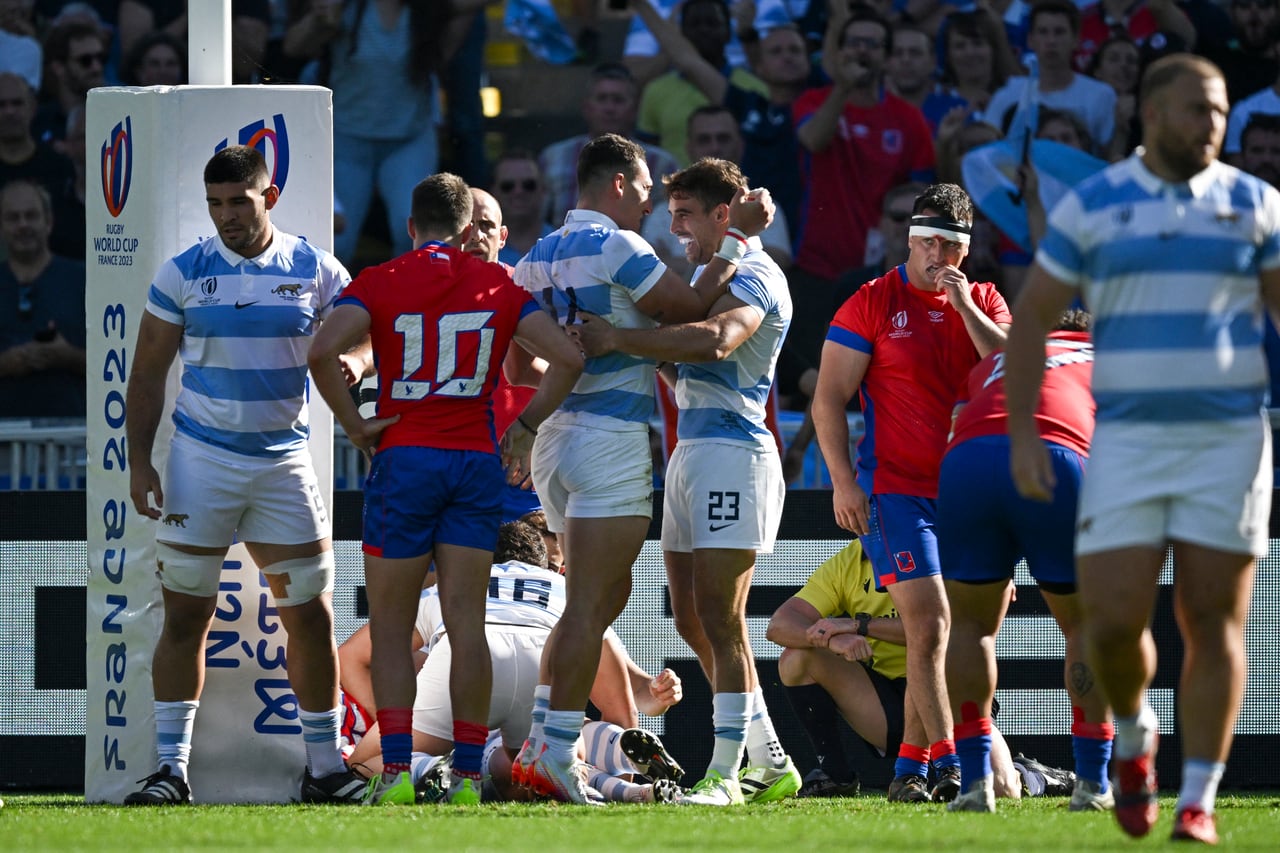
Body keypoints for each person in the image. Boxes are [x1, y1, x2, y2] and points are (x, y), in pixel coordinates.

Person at [1003, 54, 1280, 845]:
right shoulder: (1095, 203)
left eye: (1220, 110)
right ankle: (1133, 732)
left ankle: (1198, 798)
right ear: (1152, 114)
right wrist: (1021, 432)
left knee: (1213, 619)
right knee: (1111, 625)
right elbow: (1032, 319)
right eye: (1198, 109)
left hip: (1228, 439)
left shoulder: (1256, 202)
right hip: (1124, 439)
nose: (1214, 124)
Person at [306, 172, 585, 806]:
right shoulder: (496, 284)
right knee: (465, 624)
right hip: (473, 464)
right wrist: (526, 429)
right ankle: (465, 777)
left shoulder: (381, 279)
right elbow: (568, 359)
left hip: (404, 462)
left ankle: (397, 773)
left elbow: (322, 352)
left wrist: (354, 424)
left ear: (411, 226)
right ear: (465, 232)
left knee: (392, 625)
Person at [511, 132, 772, 804]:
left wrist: (561, 386)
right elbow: (692, 312)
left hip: (555, 439)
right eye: (649, 192)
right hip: (609, 439)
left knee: (598, 599)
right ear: (620, 183)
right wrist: (736, 242)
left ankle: (541, 741)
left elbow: (518, 362)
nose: (653, 209)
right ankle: (555, 750)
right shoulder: (618, 247)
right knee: (589, 603)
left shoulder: (535, 257)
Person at [123, 146, 364, 806]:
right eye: (215, 204)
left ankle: (325, 768)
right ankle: (171, 771)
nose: (226, 215)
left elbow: (365, 331)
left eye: (239, 201)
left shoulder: (317, 268)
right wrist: (140, 461)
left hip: (284, 464)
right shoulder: (184, 272)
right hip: (202, 463)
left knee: (310, 617)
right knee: (185, 617)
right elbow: (146, 374)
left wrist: (359, 361)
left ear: (270, 197)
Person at [574, 156, 797, 807]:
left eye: (685, 216)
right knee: (693, 617)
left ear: (724, 215)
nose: (675, 231)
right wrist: (648, 350)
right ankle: (770, 758)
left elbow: (717, 341)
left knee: (722, 618)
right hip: (690, 453)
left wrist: (620, 339)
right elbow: (687, 365)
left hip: (735, 454)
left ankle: (725, 775)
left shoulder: (755, 273)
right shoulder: (709, 274)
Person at [810, 182, 1011, 803]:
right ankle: (952, 765)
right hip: (895, 491)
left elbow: (1012, 370)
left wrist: (965, 307)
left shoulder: (985, 300)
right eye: (924, 241)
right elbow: (828, 399)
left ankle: (909, 769)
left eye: (947, 245)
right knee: (931, 624)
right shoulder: (873, 300)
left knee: (959, 633)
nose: (934, 255)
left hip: (972, 492)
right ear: (908, 239)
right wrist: (844, 482)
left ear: (964, 250)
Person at [338, 521, 686, 804]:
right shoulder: (568, 591)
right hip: (539, 667)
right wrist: (622, 770)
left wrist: (396, 723)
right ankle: (618, 758)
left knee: (364, 763)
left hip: (468, 664)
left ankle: (430, 769)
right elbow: (619, 701)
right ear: (548, 566)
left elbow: (350, 657)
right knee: (548, 766)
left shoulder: (451, 585)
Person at [938, 309, 1113, 813]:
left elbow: (958, 422)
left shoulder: (997, 358)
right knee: (1085, 626)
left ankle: (975, 784)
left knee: (970, 628)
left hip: (967, 461)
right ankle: (1093, 783)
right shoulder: (1107, 356)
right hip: (1053, 453)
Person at [765, 540, 1057, 802]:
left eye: (881, 507)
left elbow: (944, 629)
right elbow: (779, 624)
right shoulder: (849, 560)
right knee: (797, 657)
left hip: (950, 695)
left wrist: (859, 626)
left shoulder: (940, 549)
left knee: (1001, 788)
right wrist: (831, 639)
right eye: (863, 508)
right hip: (889, 706)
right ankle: (835, 775)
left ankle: (1032, 776)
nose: (867, 516)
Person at [788, 4, 935, 411]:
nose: (862, 51)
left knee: (879, 379)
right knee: (815, 375)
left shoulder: (908, 120)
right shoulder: (813, 101)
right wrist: (843, 88)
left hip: (880, 273)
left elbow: (922, 193)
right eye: (854, 43)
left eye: (873, 44)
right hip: (818, 266)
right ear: (838, 51)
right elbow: (814, 140)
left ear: (886, 56)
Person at [538, 63, 681, 227]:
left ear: (635, 109)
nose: (609, 108)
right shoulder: (554, 157)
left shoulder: (662, 163)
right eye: (602, 99)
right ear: (586, 107)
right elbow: (537, 221)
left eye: (618, 100)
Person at [981, 1, 1117, 159]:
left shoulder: (1101, 95)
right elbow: (986, 151)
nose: (1051, 41)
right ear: (1030, 40)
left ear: (1076, 40)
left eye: (1059, 32)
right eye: (1043, 32)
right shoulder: (1007, 95)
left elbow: (1108, 157)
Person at [0, 178, 86, 418]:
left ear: (49, 221)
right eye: (13, 218)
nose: (23, 225)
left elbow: (116, 364)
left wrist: (68, 357)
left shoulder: (84, 280)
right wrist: (6, 363)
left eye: (31, 215)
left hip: (72, 432)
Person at [489, 150, 554, 267]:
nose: (518, 191)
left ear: (543, 190)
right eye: (507, 186)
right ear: (494, 193)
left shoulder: (563, 245)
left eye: (528, 185)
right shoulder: (481, 252)